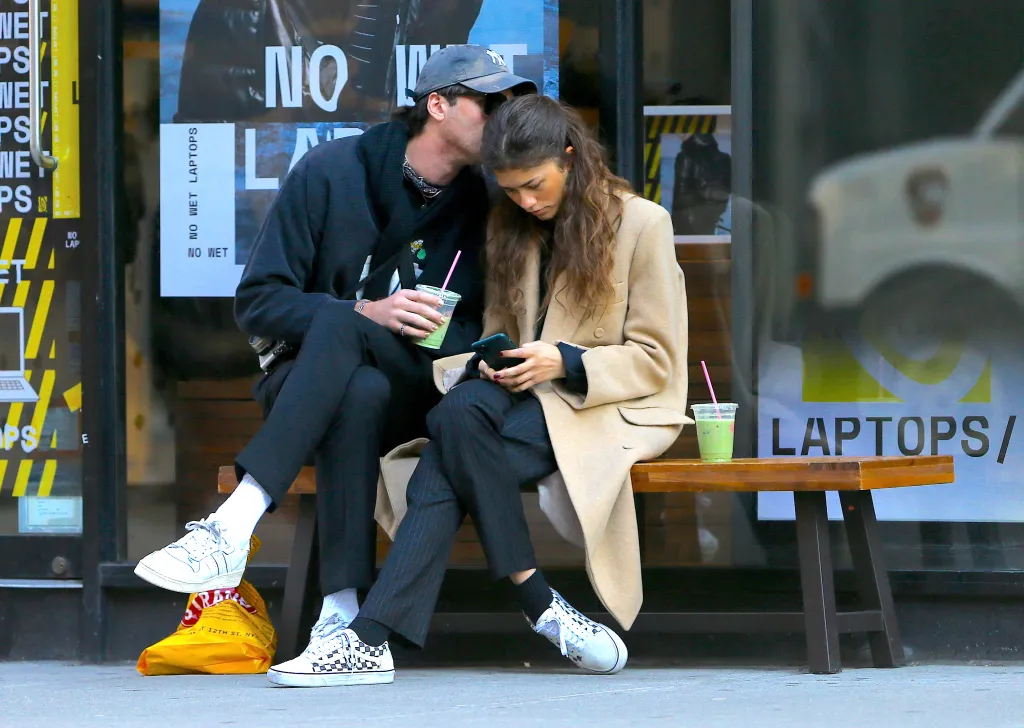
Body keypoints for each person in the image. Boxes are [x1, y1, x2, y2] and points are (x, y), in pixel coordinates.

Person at [135, 46, 537, 681]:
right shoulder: (331, 171)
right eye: (489, 103)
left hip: (425, 389)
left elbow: (487, 324)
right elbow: (259, 301)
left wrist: (440, 330)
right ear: (438, 104)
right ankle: (342, 617)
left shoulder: (486, 202)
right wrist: (366, 314)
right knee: (356, 381)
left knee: (356, 350)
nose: (503, 117)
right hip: (309, 384)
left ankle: (233, 524)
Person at [266, 94, 690, 687]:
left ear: (572, 158)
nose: (526, 200)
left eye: (536, 185)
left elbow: (657, 360)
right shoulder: (510, 224)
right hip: (515, 398)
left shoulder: (642, 223)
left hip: (598, 406)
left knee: (450, 444)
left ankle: (368, 639)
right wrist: (487, 361)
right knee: (459, 413)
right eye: (511, 189)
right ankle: (539, 603)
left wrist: (564, 360)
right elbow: (490, 332)